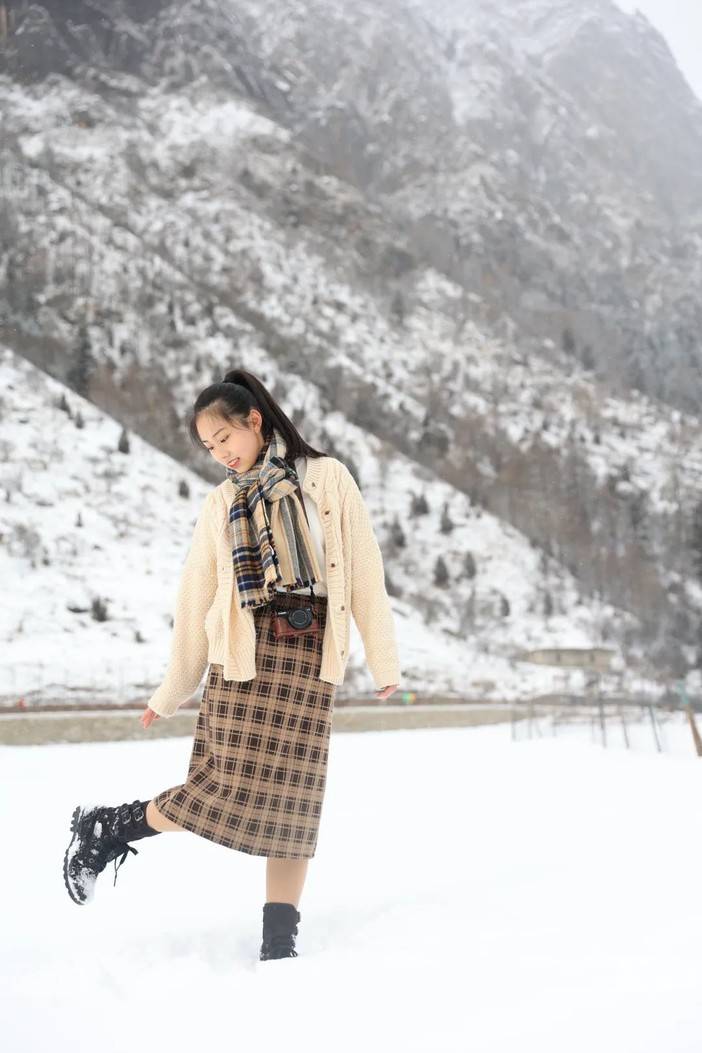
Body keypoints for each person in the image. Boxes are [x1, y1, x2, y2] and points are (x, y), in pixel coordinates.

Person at [63, 368, 401, 960]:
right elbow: (196, 597)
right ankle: (109, 827)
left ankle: (279, 944)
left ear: (255, 421)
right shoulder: (222, 503)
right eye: (209, 447)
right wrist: (172, 688)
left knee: (296, 806)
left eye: (225, 438)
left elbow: (364, 568)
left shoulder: (327, 477)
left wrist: (383, 658)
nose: (220, 454)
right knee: (221, 790)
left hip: (310, 658)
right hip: (244, 660)